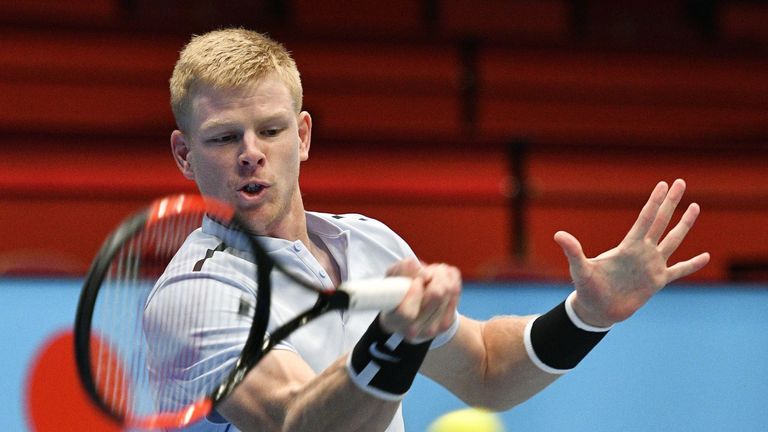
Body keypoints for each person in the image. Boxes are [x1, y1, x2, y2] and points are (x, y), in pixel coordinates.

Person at [160, 27, 710, 431]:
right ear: (185, 155)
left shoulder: (371, 243)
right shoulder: (196, 296)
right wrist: (394, 340)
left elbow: (487, 371)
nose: (251, 154)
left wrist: (584, 317)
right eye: (223, 138)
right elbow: (296, 422)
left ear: (302, 136)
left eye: (271, 130)